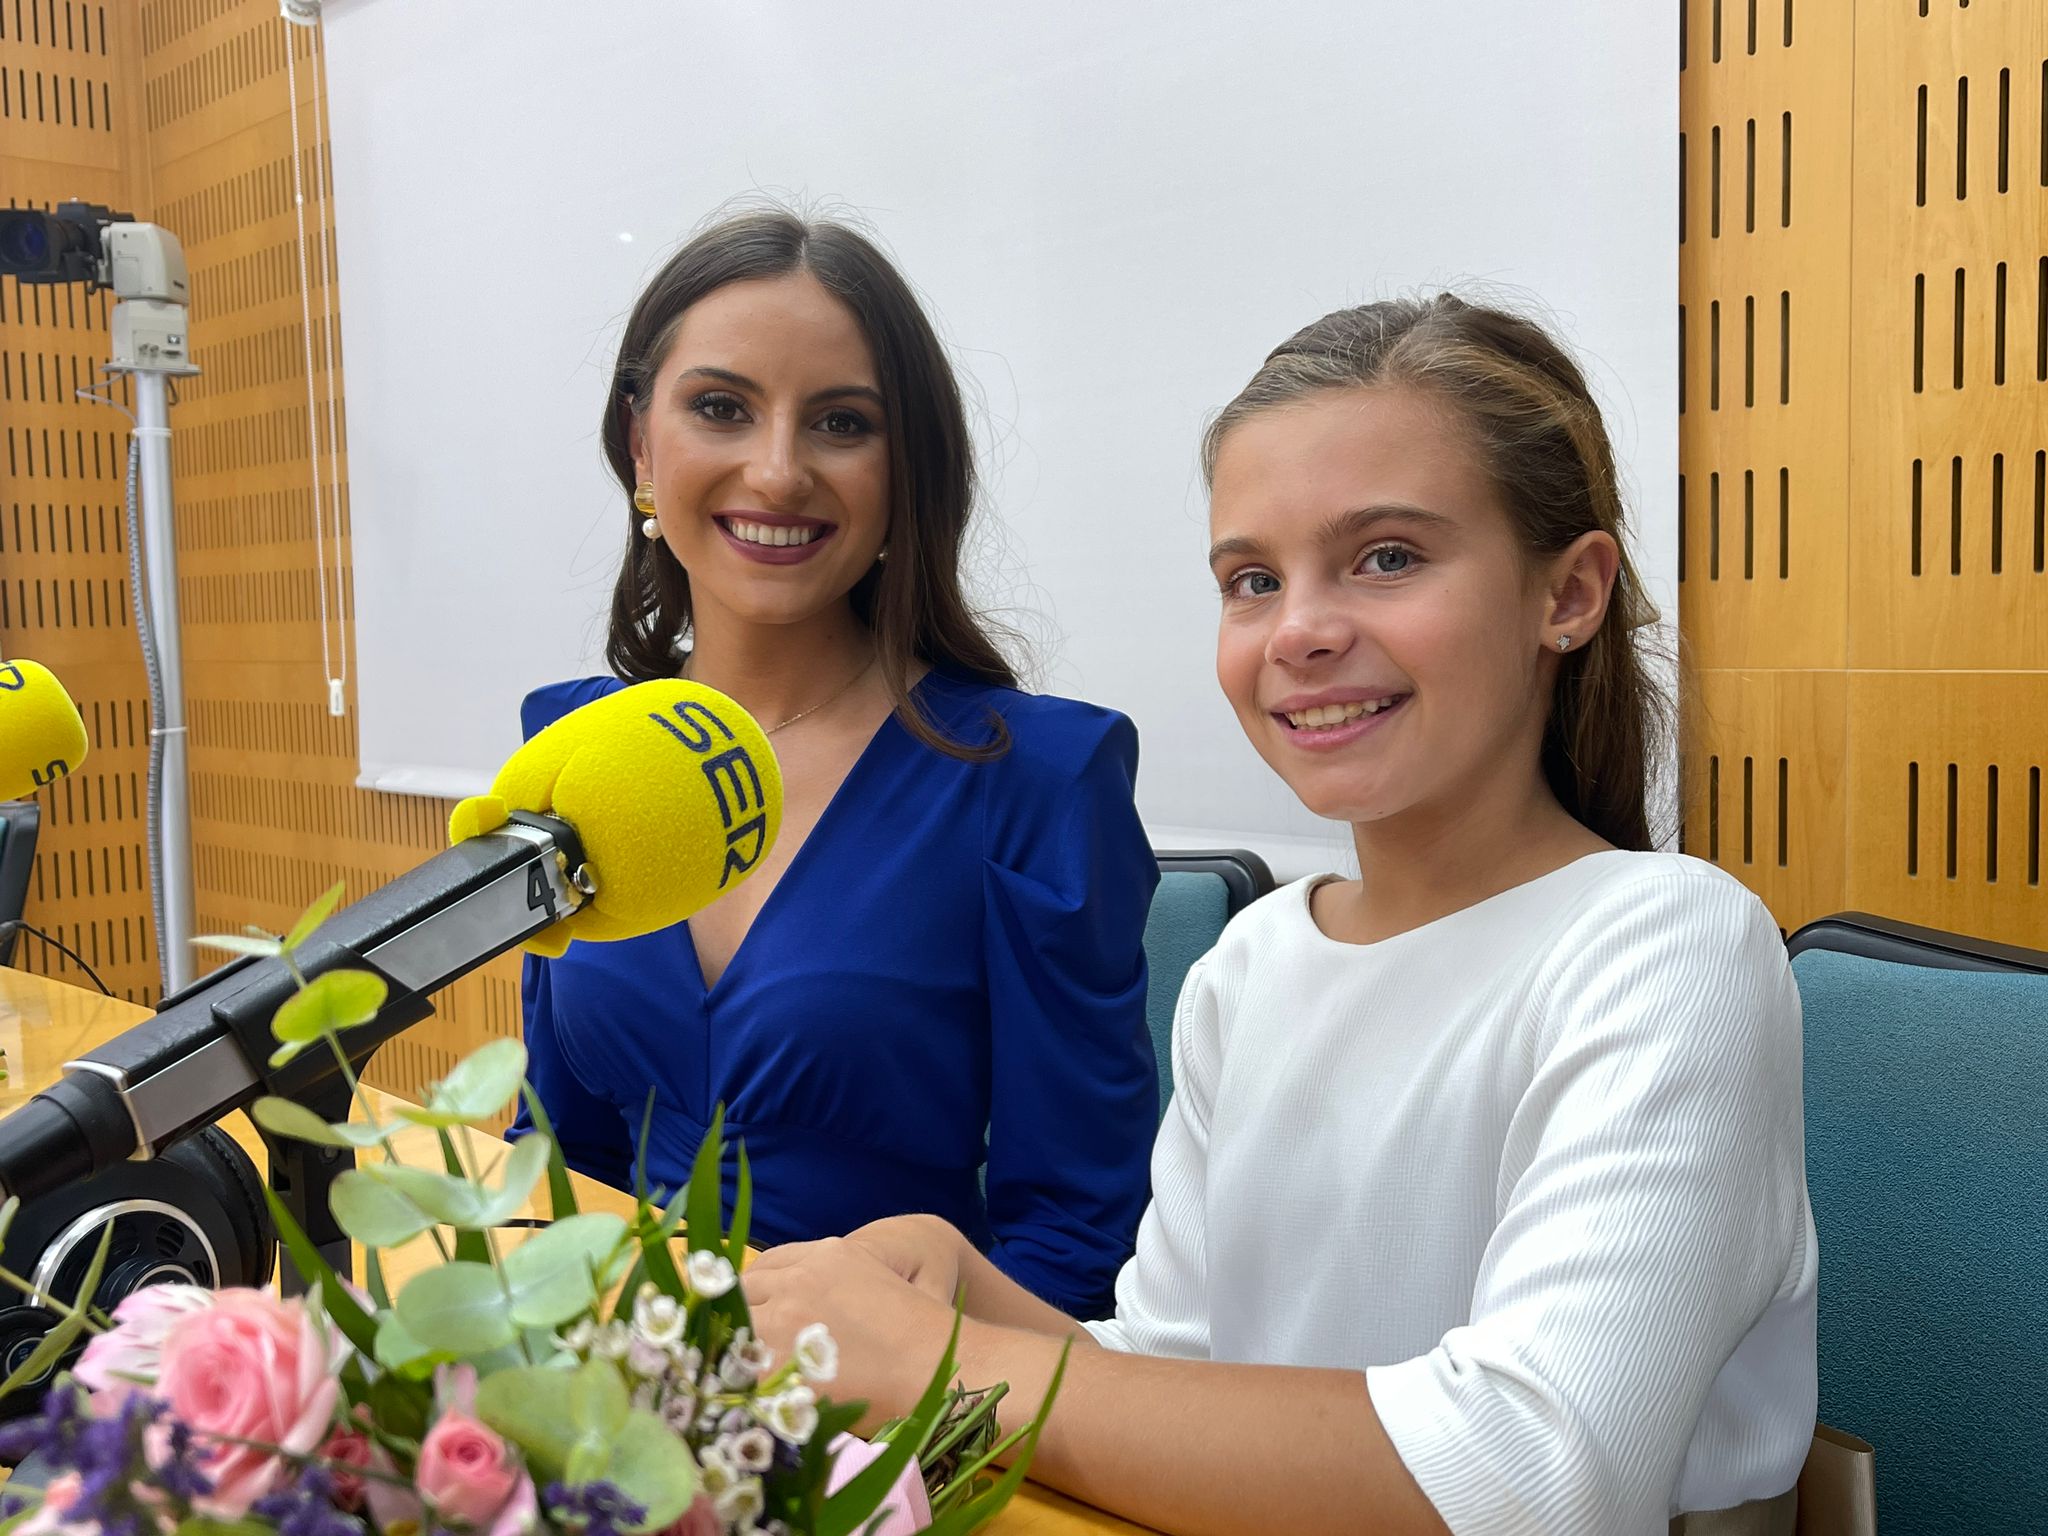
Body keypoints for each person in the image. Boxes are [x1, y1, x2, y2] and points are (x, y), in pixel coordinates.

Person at [743, 295, 1819, 1535]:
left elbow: (1530, 1474)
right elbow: (1178, 1382)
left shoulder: (1667, 948)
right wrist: (970, 1297)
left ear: (1566, 595)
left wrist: (945, 1363)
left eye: (1386, 558)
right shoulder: (1250, 963)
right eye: (1251, 580)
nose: (1298, 631)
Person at [513, 211, 1158, 1321]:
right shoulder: (570, 744)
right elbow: (555, 1152)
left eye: (841, 423)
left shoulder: (1037, 780)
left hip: (888, 1432)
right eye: (720, 408)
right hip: (610, 1402)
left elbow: (1078, 1244)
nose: (776, 470)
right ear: (640, 447)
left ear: (906, 473)